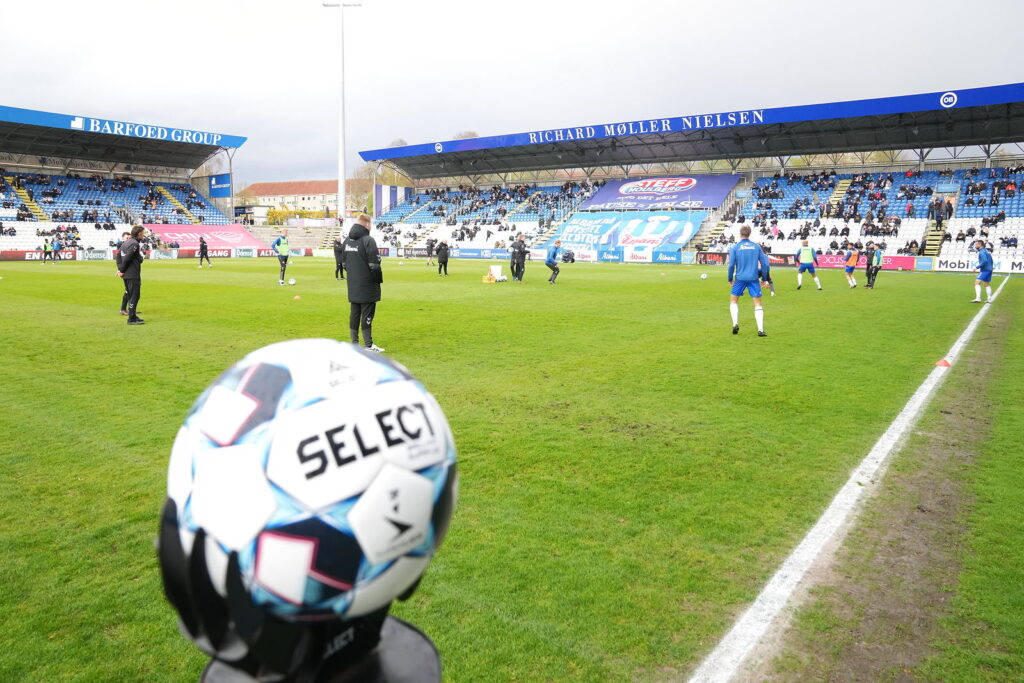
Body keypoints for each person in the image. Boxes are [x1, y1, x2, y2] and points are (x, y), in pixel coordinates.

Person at [343, 214, 384, 352]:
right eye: (370, 224)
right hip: (367, 285)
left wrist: (354, 275)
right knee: (367, 314)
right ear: (367, 224)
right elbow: (375, 266)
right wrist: (378, 280)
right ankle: (368, 345)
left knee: (354, 313)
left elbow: (344, 264)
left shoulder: (347, 241)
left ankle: (354, 344)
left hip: (353, 284)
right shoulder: (368, 240)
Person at [727, 225, 770, 337]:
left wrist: (730, 278)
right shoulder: (756, 247)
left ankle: (735, 323)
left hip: (740, 279)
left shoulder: (735, 247)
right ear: (749, 234)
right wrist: (764, 279)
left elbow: (731, 265)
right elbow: (765, 264)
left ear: (740, 233)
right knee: (757, 304)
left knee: (733, 301)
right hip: (753, 279)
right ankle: (760, 330)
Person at [117, 225, 146, 325]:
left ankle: (133, 315)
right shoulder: (134, 244)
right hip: (132, 274)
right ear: (139, 234)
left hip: (127, 274)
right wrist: (121, 270)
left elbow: (118, 256)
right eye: (143, 233)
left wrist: (120, 269)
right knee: (135, 295)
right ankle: (131, 319)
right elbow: (128, 258)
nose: (144, 234)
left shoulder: (126, 243)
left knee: (130, 295)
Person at [971, 239, 994, 303]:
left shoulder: (982, 252)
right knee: (986, 284)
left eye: (976, 244)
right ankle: (989, 299)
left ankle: (978, 298)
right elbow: (991, 260)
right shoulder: (986, 251)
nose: (976, 245)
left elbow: (984, 261)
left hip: (984, 270)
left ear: (980, 244)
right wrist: (991, 267)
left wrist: (976, 267)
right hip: (989, 269)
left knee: (976, 283)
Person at [115, 231, 132, 315]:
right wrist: (120, 270)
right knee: (128, 291)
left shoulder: (129, 247)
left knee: (131, 291)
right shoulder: (122, 247)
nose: (128, 239)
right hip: (126, 272)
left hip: (129, 271)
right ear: (123, 239)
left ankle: (131, 308)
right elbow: (119, 259)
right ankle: (123, 309)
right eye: (127, 238)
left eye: (129, 238)